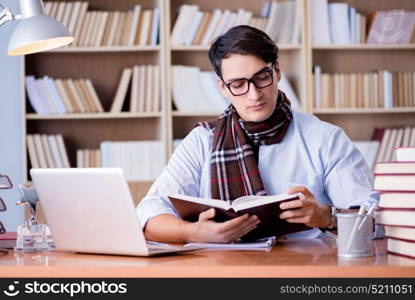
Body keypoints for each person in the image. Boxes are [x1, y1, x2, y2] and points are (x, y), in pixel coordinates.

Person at [136, 25, 378, 243]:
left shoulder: (326, 139)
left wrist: (327, 217)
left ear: (277, 71)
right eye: (238, 84)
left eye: (261, 77)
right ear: (222, 88)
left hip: (305, 272)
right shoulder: (201, 141)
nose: (254, 95)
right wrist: (191, 232)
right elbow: (148, 212)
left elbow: (376, 222)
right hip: (220, 273)